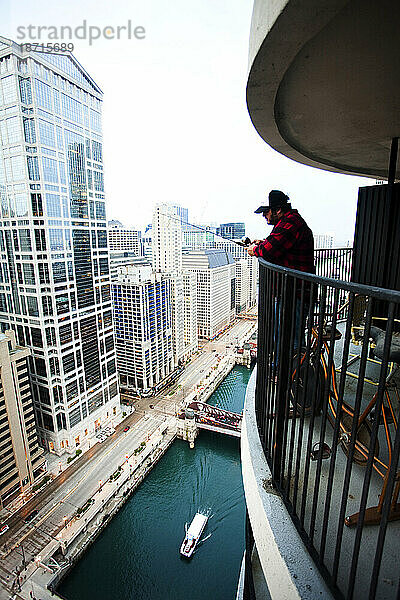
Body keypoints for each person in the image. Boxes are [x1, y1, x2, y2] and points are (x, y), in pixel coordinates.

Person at [247, 189, 315, 354]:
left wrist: (255, 249)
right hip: (291, 292)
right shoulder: (288, 222)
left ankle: (291, 376)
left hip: (294, 293)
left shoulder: (290, 223)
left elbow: (269, 250)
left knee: (291, 340)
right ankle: (288, 371)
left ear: (278, 209)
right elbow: (278, 244)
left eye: (266, 212)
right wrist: (262, 243)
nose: (264, 216)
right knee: (287, 336)